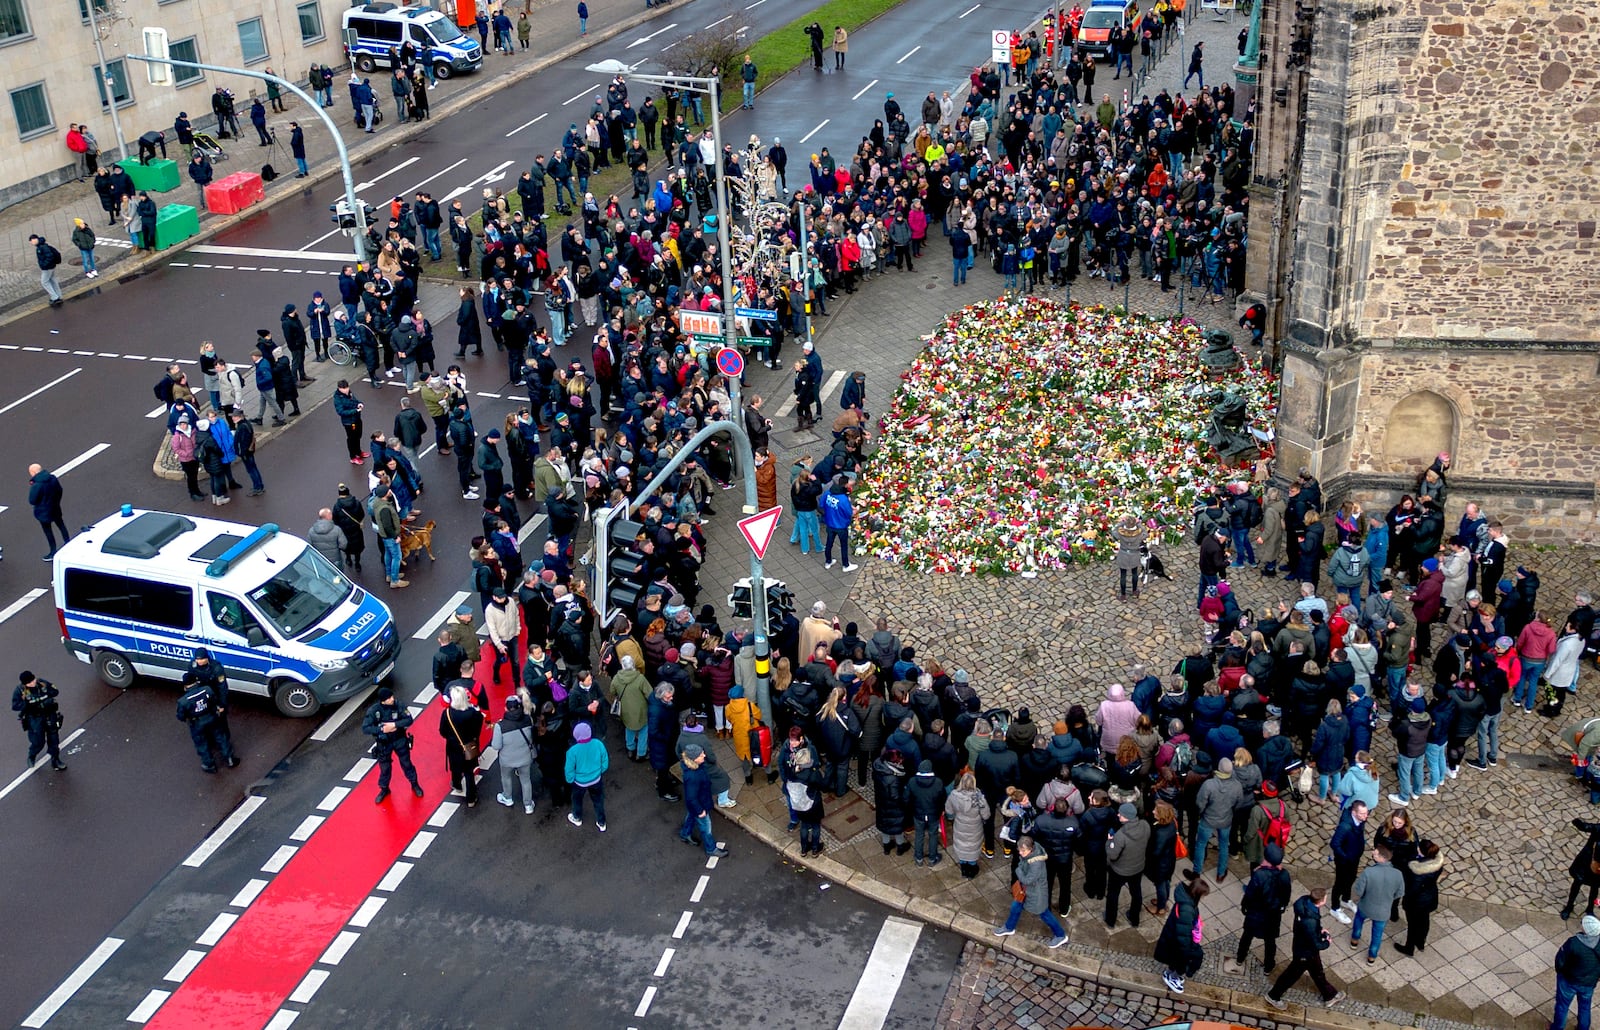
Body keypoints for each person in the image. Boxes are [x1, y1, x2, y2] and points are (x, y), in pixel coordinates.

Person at [1264, 887, 1345, 1009]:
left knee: (1317, 973)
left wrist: (1320, 930)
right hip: (1306, 953)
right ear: (1322, 901)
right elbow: (1316, 943)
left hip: (1302, 947)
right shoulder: (1310, 920)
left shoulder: (1304, 904)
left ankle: (1330, 995)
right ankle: (1273, 996)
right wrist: (1327, 942)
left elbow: (1309, 931)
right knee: (1291, 975)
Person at [1226, 841, 1293, 974]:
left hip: (1256, 913)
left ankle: (1240, 958)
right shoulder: (1284, 875)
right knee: (1270, 941)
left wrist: (1244, 905)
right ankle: (1268, 966)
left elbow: (1250, 893)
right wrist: (1281, 907)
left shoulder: (1259, 875)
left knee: (1247, 936)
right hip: (1273, 915)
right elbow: (1286, 895)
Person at [992, 836, 1069, 948]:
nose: (1021, 853)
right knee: (1015, 907)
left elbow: (1027, 880)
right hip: (1027, 891)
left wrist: (1018, 871)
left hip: (1036, 894)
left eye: (1023, 851)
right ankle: (1009, 927)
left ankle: (1061, 935)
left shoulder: (1036, 863)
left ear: (1031, 849)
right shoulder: (1031, 854)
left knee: (1044, 914)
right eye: (1020, 850)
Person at [363, 685, 423, 802]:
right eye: (389, 698)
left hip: (399, 740)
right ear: (383, 700)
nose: (392, 699)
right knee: (385, 768)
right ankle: (384, 788)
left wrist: (395, 725)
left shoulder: (398, 705)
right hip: (384, 743)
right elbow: (366, 728)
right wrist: (381, 730)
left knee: (406, 764)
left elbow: (409, 719)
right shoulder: (374, 711)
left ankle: (414, 784)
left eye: (392, 696)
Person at [1349, 841, 1406, 964]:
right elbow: (1400, 893)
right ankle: (1371, 957)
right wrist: (1388, 898)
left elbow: (1359, 890)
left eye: (1374, 854)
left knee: (1358, 921)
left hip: (1366, 905)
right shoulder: (1398, 874)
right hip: (1383, 910)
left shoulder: (1369, 872)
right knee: (1377, 934)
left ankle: (1354, 940)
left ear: (1382, 858)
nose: (1372, 855)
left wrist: (1365, 896)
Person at [1154, 868, 1208, 994]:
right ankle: (1173, 977)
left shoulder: (1185, 900)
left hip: (1173, 937)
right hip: (1179, 941)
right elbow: (1183, 935)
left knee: (1175, 959)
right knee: (1183, 960)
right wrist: (1188, 949)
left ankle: (1171, 974)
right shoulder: (1187, 909)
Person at [175, 669, 236, 773]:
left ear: (185, 686)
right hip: (212, 717)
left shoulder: (183, 701)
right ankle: (230, 759)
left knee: (202, 744)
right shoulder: (207, 690)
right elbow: (214, 701)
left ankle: (209, 765)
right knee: (221, 737)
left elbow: (180, 716)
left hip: (197, 723)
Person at [1393, 840, 1444, 955]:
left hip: (1416, 901)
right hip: (1430, 896)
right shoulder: (1437, 863)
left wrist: (1405, 896)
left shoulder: (1418, 870)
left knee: (1413, 924)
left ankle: (1409, 948)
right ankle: (1420, 942)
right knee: (1424, 920)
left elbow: (1413, 889)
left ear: (1421, 851)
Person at [1105, 802, 1150, 927]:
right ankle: (1134, 918)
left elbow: (1112, 855)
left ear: (1126, 817)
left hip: (1119, 870)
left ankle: (1110, 920)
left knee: (1113, 894)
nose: (1118, 815)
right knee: (1136, 893)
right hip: (1138, 867)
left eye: (1121, 814)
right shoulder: (1145, 825)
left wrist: (1109, 842)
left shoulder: (1120, 836)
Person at [679, 743, 728, 856]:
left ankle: (685, 834)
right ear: (694, 759)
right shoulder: (693, 776)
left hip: (696, 804)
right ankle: (711, 849)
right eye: (701, 755)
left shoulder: (693, 769)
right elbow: (692, 797)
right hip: (700, 804)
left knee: (691, 816)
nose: (704, 756)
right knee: (706, 828)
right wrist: (700, 810)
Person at [1553, 914, 1600, 1030]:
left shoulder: (1573, 943)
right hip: (1589, 983)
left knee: (1562, 1006)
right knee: (1585, 1007)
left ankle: (1557, 1028)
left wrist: (1561, 973)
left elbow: (1560, 961)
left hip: (1569, 981)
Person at [491, 695, 536, 813]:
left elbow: (496, 746)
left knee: (506, 777)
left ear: (506, 708)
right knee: (526, 780)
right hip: (525, 757)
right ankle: (528, 805)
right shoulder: (528, 719)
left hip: (507, 759)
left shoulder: (500, 726)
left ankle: (508, 797)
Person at [13, 671, 66, 771]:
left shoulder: (42, 684)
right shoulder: (20, 691)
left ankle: (55, 760)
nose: (33, 683)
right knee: (38, 742)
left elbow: (55, 692)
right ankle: (32, 755)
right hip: (34, 719)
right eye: (29, 683)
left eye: (33, 680)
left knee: (54, 739)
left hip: (49, 715)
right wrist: (28, 705)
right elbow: (15, 705)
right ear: (25, 684)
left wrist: (47, 695)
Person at [945, 771, 992, 879]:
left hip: (960, 826)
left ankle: (964, 869)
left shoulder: (953, 795)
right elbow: (986, 815)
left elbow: (949, 811)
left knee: (961, 847)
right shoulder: (979, 798)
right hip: (975, 829)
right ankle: (972, 870)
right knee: (973, 848)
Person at [1329, 800, 1368, 921]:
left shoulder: (1360, 822)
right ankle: (1335, 908)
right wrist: (1345, 856)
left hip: (1354, 858)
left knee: (1351, 878)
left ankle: (1346, 899)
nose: (1365, 816)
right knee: (1339, 883)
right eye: (1362, 814)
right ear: (1354, 812)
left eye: (1366, 813)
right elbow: (1335, 843)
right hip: (1344, 861)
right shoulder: (1345, 826)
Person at [27, 463, 69, 560]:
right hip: (55, 507)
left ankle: (53, 551)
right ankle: (68, 543)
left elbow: (32, 500)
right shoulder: (52, 478)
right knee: (61, 525)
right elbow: (60, 490)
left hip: (43, 511)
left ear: (33, 472)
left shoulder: (37, 485)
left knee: (48, 531)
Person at [28, 234, 63, 307]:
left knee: (44, 282)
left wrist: (44, 265)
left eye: (31, 241)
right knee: (53, 280)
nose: (31, 243)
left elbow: (49, 256)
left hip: (48, 268)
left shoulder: (42, 247)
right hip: (51, 266)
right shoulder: (42, 245)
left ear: (35, 239)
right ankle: (59, 295)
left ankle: (55, 297)